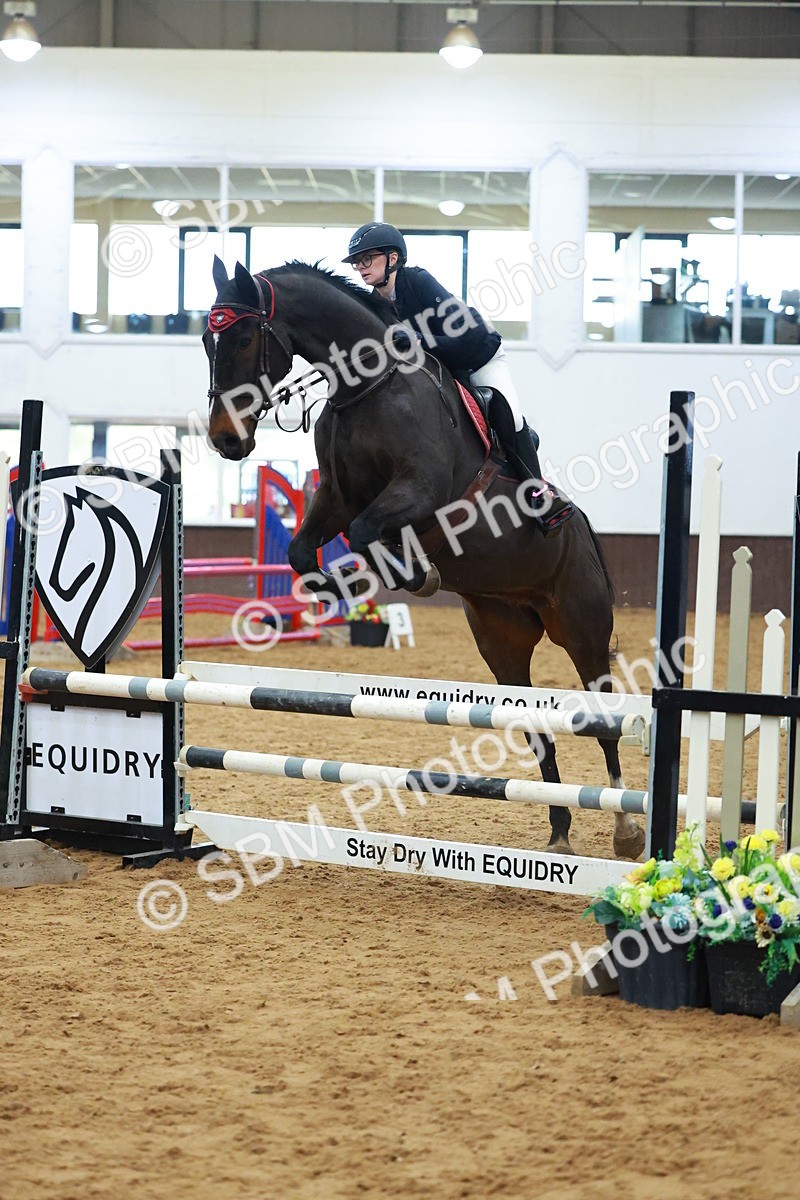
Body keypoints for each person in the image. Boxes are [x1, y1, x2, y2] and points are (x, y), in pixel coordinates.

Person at [343, 222, 573, 534]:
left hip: (478, 355)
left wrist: (418, 338)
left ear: (393, 258)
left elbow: (463, 334)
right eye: (357, 261)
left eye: (367, 259)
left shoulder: (418, 281)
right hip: (444, 370)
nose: (360, 267)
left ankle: (539, 495)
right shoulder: (377, 304)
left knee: (508, 414)